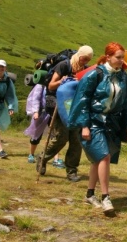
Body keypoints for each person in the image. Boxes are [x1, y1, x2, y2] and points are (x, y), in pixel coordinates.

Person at [68, 42, 127, 213]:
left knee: (98, 159)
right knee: (104, 156)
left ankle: (90, 194)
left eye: (123, 58)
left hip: (112, 123)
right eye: (118, 57)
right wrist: (84, 125)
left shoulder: (123, 77)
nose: (122, 61)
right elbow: (82, 100)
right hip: (93, 121)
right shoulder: (94, 75)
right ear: (108, 57)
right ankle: (106, 197)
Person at [36, 45, 93, 182]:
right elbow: (51, 85)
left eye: (88, 60)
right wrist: (62, 81)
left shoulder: (85, 70)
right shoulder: (63, 65)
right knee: (61, 137)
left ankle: (72, 171)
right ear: (79, 55)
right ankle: (43, 157)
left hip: (75, 105)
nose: (85, 61)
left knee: (76, 139)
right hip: (57, 103)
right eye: (84, 58)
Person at [24, 83, 62, 166]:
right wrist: (36, 111)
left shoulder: (59, 83)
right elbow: (35, 98)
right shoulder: (41, 85)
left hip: (54, 113)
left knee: (55, 136)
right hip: (42, 112)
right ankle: (31, 154)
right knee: (36, 134)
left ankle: (56, 159)